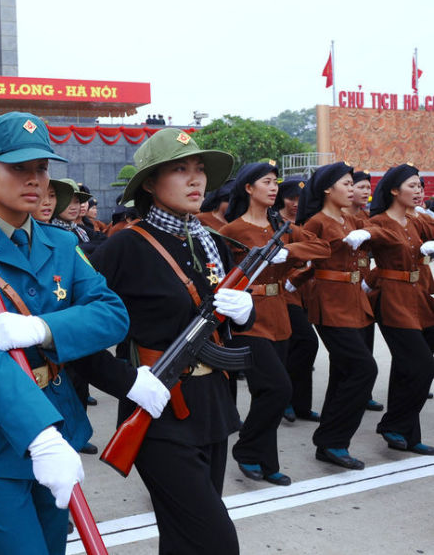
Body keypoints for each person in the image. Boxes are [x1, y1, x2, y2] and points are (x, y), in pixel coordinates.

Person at [0, 111, 134, 555]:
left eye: (41, 168)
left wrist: (42, 328)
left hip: (57, 414)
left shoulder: (62, 243)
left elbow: (112, 315)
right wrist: (39, 434)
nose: (34, 179)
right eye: (18, 167)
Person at [90, 129, 251, 554]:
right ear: (149, 183)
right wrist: (126, 382)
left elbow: (221, 326)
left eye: (199, 169)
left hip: (212, 406)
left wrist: (243, 314)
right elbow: (80, 335)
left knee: (184, 541)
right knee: (217, 543)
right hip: (158, 411)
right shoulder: (124, 247)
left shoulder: (213, 242)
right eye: (180, 169)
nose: (195, 179)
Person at [219, 162, 329, 486]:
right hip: (247, 318)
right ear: (248, 188)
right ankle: (246, 449)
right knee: (279, 389)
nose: (273, 188)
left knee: (267, 393)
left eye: (275, 182)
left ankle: (267, 462)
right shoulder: (232, 230)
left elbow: (322, 247)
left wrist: (289, 251)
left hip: (279, 314)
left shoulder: (282, 227)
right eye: (266, 182)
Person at [296, 162, 380, 469]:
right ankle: (332, 439)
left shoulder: (351, 218)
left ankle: (330, 443)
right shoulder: (317, 221)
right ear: (327, 189)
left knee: (345, 371)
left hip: (354, 300)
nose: (352, 189)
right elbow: (302, 255)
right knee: (364, 369)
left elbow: (383, 230)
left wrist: (367, 231)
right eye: (346, 183)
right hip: (330, 302)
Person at [366, 163, 434, 455]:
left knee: (407, 366)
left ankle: (406, 433)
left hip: (420, 298)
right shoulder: (379, 221)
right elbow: (370, 236)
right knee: (422, 364)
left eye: (420, 185)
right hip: (393, 299)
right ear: (394, 190)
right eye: (412, 186)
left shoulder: (416, 219)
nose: (419, 191)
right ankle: (393, 424)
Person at [276, 176, 322, 423]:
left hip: (307, 292)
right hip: (285, 291)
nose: (296, 203)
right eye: (291, 198)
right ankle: (285, 399)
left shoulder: (306, 224)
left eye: (300, 199)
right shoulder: (275, 224)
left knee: (301, 347)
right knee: (305, 342)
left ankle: (301, 404)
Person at [347, 170, 385, 412]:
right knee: (349, 345)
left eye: (368, 188)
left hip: (363, 285)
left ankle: (364, 392)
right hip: (343, 287)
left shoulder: (367, 218)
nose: (366, 192)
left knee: (366, 336)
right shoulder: (339, 217)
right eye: (360, 187)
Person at [49, 178, 91, 242]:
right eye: (67, 202)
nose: (73, 207)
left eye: (76, 202)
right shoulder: (51, 233)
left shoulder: (80, 230)